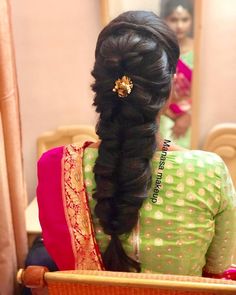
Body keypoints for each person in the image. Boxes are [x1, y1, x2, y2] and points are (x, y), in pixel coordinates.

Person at [36, 11, 236, 277]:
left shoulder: (55, 168)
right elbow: (218, 270)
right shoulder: (209, 172)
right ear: (169, 89)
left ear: (101, 87)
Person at [160, 0, 194, 148]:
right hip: (164, 115)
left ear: (192, 20)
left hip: (192, 117)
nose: (180, 25)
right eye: (174, 19)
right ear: (165, 20)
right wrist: (171, 116)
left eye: (185, 19)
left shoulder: (199, 49)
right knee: (163, 163)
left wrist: (189, 116)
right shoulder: (159, 50)